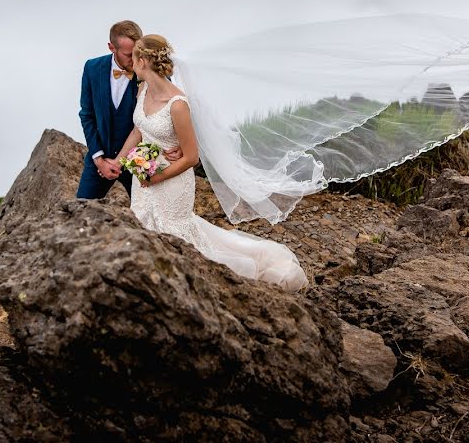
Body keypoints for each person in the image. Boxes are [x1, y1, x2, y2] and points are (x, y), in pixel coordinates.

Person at [114, 35, 309, 292]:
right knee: (144, 227)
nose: (130, 64)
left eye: (133, 59)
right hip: (145, 177)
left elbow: (191, 157)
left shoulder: (178, 105)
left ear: (142, 61)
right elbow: (139, 131)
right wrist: (122, 160)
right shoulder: (143, 91)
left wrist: (157, 176)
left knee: (175, 235)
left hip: (171, 181)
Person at [76, 21, 181, 200]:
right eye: (128, 54)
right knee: (80, 211)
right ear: (111, 47)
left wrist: (178, 144)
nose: (135, 60)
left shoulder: (151, 72)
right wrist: (98, 159)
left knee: (148, 220)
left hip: (140, 161)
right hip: (100, 160)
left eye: (137, 53)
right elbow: (87, 115)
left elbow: (172, 110)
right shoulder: (92, 68)